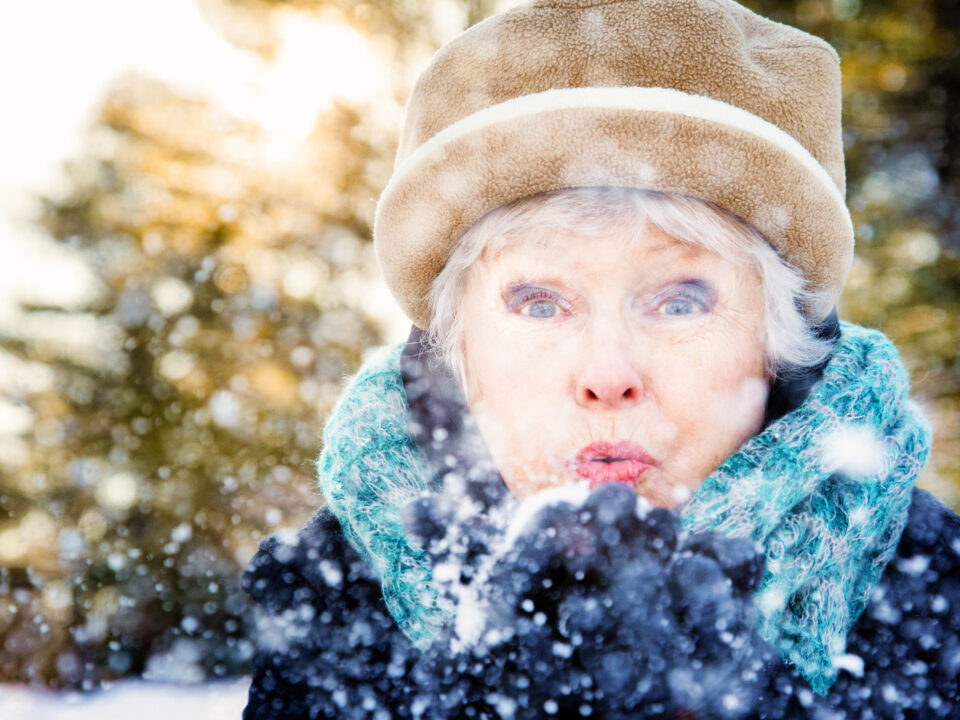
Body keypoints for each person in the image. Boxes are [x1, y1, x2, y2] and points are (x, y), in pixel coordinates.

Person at [241, 0, 960, 717]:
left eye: (681, 302)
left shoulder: (936, 590)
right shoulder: (332, 593)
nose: (607, 376)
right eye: (540, 304)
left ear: (777, 347)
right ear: (459, 357)